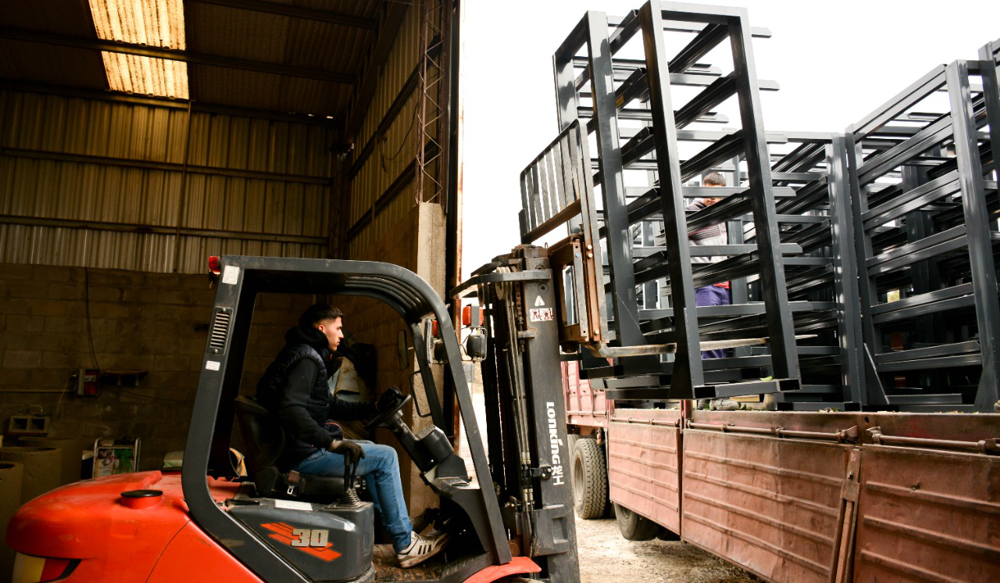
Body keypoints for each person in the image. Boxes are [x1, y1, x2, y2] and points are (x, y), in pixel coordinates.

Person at [256, 303, 447, 568]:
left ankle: (397, 522)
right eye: (338, 328)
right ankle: (405, 544)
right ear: (322, 328)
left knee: (369, 447)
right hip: (304, 456)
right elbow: (291, 409)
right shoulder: (308, 360)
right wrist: (331, 442)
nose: (342, 335)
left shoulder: (305, 354)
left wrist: (375, 407)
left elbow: (330, 405)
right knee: (386, 456)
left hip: (299, 448)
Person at [688, 172, 731, 360]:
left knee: (722, 334)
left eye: (717, 194)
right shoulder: (690, 212)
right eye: (708, 193)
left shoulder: (725, 216)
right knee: (708, 333)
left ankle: (720, 377)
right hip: (704, 283)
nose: (712, 198)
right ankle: (710, 379)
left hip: (725, 284)